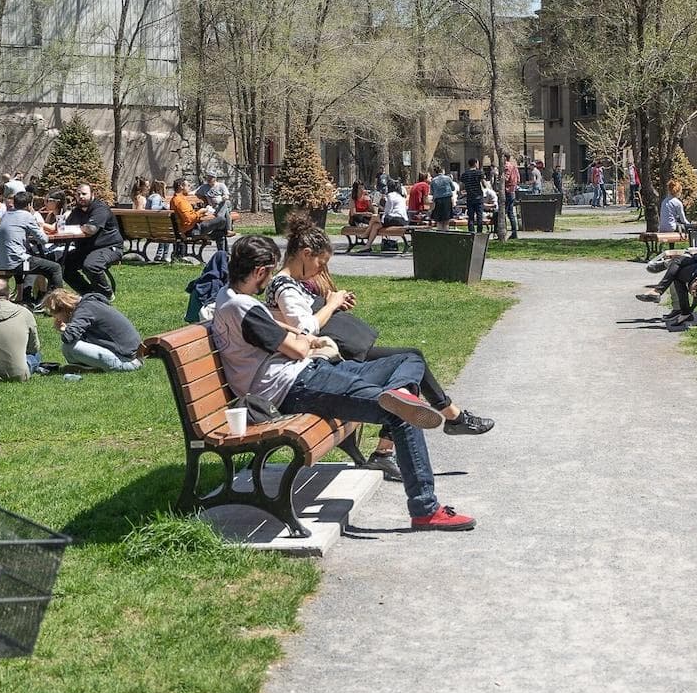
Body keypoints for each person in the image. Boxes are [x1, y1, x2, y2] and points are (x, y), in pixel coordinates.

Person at [210, 234, 476, 531]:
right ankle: (426, 509)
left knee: (409, 359)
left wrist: (297, 336)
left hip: (311, 373)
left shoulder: (227, 298)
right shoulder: (245, 309)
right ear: (260, 272)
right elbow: (298, 348)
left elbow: (279, 331)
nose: (269, 279)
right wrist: (303, 339)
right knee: (400, 413)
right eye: (269, 272)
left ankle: (399, 392)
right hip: (294, 386)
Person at [268, 218, 495, 447]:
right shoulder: (284, 286)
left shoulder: (293, 284)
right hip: (326, 361)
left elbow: (307, 316)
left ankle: (399, 444)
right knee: (408, 366)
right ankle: (450, 420)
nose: (321, 269)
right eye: (320, 262)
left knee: (408, 368)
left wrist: (332, 301)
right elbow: (305, 327)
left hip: (335, 352)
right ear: (306, 254)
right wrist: (332, 304)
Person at [40, 288, 143, 373]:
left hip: (128, 362)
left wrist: (63, 329)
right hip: (135, 357)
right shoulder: (90, 304)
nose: (57, 319)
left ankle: (89, 368)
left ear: (63, 308)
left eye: (56, 315)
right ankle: (89, 367)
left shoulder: (84, 310)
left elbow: (69, 337)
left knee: (69, 347)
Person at [56, 183, 124, 297]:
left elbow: (92, 229)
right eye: (78, 194)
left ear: (93, 194)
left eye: (84, 194)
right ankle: (89, 294)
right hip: (86, 248)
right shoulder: (77, 210)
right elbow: (66, 227)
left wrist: (80, 227)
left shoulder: (100, 209)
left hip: (108, 247)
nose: (81, 197)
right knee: (62, 266)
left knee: (91, 265)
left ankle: (106, 294)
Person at [0, 187, 62, 299]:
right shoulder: (27, 216)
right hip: (16, 262)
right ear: (29, 205)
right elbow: (43, 239)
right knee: (55, 268)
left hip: (1, 261)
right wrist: (39, 228)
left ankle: (27, 299)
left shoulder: (6, 215)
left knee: (31, 266)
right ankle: (57, 302)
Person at [146, 178, 173, 263]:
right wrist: (164, 207)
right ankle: (164, 255)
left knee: (165, 231)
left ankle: (160, 254)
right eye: (165, 188)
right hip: (155, 226)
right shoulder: (156, 197)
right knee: (167, 232)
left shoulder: (152, 196)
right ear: (161, 189)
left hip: (151, 225)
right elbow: (153, 208)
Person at [460, 158, 486, 234]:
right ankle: (479, 233)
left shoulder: (464, 174)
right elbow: (484, 184)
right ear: (475, 163)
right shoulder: (479, 173)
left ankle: (471, 233)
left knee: (470, 217)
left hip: (470, 198)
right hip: (478, 197)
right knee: (479, 217)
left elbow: (461, 186)